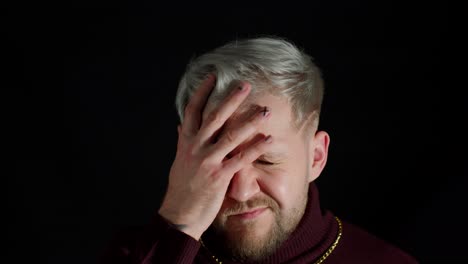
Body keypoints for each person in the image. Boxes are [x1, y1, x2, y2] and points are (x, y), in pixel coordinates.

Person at [100, 37, 418, 263]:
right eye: (220, 159)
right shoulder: (136, 255)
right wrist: (178, 223)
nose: (240, 191)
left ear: (316, 157)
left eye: (266, 159)